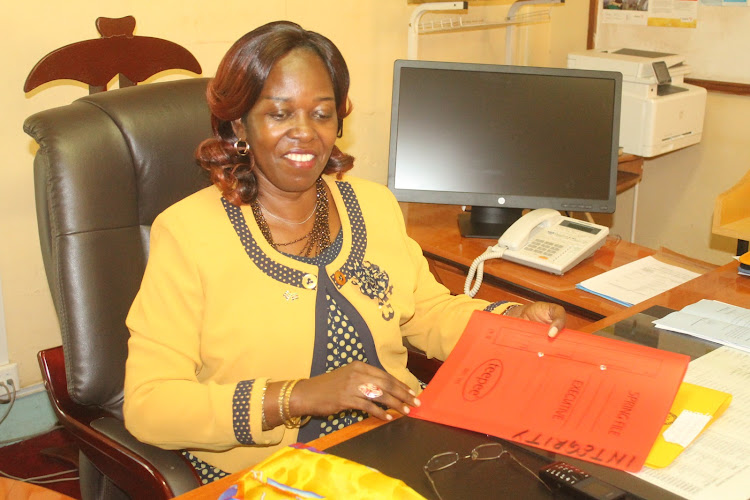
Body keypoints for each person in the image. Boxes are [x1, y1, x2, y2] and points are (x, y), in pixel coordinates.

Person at [123, 20, 566, 483]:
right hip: (272, 475)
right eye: (279, 114)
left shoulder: (372, 205)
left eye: (321, 113)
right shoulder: (188, 232)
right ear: (240, 124)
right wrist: (299, 396)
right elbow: (150, 405)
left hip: (396, 444)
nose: (306, 133)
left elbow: (427, 313)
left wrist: (510, 323)